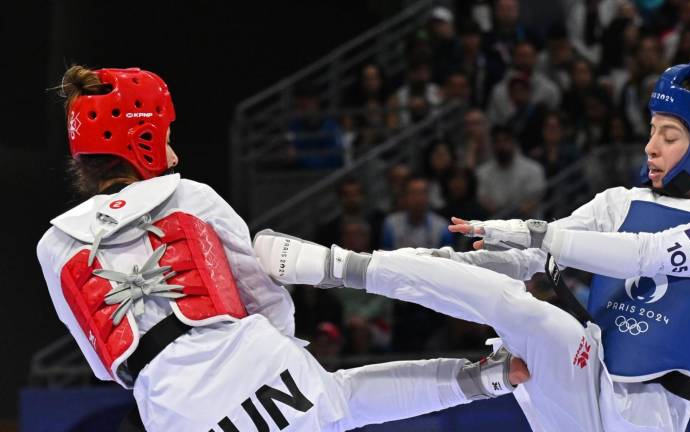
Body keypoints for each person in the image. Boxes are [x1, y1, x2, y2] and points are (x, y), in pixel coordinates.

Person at [255, 63, 690, 431]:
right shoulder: (619, 202)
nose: (651, 146)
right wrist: (435, 261)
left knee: (533, 312)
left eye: (671, 135)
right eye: (652, 130)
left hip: (644, 420)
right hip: (580, 373)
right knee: (526, 313)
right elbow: (531, 259)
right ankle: (338, 265)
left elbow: (647, 254)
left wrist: (535, 231)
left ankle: (491, 375)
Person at [36, 66, 531, 432]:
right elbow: (266, 296)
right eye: (165, 138)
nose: (174, 153)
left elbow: (108, 365)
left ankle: (486, 377)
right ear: (140, 139)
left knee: (339, 403)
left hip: (176, 411)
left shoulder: (54, 245)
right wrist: (278, 357)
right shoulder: (190, 197)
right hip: (253, 361)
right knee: (339, 399)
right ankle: (486, 376)